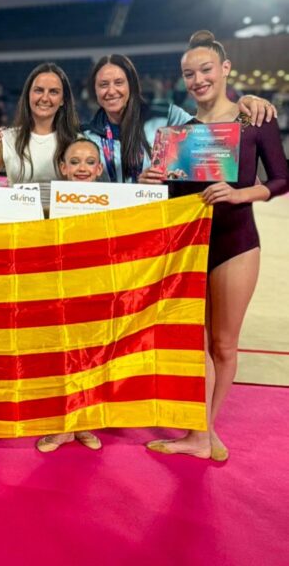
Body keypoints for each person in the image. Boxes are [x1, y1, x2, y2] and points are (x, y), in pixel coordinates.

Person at [142, 32, 288, 460]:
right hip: (192, 247)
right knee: (194, 343)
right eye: (189, 73)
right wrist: (154, 181)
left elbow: (282, 177)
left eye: (206, 69)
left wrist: (242, 193)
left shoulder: (253, 119)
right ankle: (201, 434)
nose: (198, 79)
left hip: (236, 242)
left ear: (225, 70)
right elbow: (175, 200)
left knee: (224, 344)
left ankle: (204, 431)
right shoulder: (182, 133)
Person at [83, 52, 277, 184]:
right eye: (103, 84)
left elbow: (217, 146)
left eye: (119, 82)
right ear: (94, 90)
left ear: (132, 86)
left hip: (161, 222)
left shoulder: (166, 116)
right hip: (114, 225)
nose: (111, 91)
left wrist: (245, 105)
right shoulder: (86, 136)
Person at [36, 137, 105, 453]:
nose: (82, 168)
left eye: (89, 162)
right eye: (74, 162)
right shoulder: (47, 205)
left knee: (92, 354)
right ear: (62, 167)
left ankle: (84, 422)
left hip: (98, 287)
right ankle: (62, 424)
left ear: (99, 168)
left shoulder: (117, 202)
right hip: (61, 287)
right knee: (62, 354)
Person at [0, 63, 79, 210]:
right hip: (19, 226)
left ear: (63, 100)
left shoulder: (78, 142)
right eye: (39, 90)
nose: (45, 98)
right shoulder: (6, 139)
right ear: (28, 95)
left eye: (53, 92)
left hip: (63, 228)